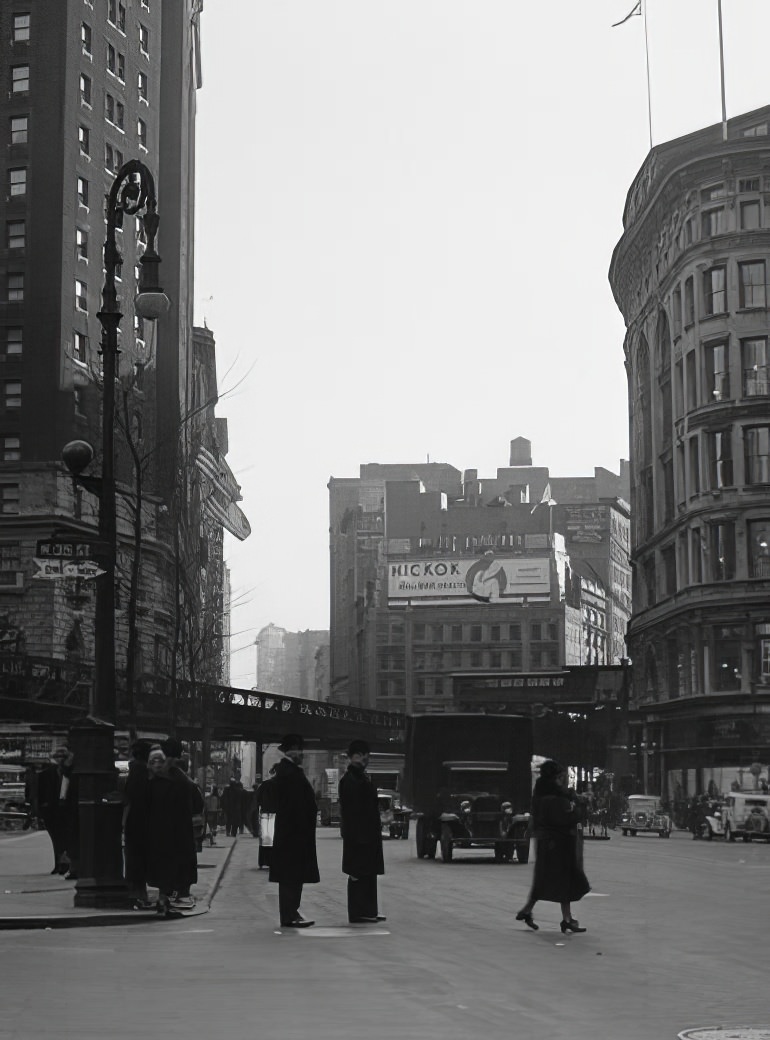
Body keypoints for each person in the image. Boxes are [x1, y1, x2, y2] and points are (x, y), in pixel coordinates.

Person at [516, 760, 590, 934]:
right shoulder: (557, 799)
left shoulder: (539, 795)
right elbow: (568, 819)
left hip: (545, 843)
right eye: (560, 776)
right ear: (555, 777)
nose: (562, 779)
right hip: (560, 844)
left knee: (543, 879)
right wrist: (579, 809)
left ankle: (528, 910)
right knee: (564, 880)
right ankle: (566, 920)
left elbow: (535, 819)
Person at [269, 734, 319, 927]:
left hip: (293, 833)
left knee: (293, 875)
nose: (302, 753)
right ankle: (290, 915)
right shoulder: (290, 773)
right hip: (293, 833)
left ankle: (292, 913)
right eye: (299, 749)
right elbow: (295, 804)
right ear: (290, 750)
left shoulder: (290, 771)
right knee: (291, 875)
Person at [144, 746, 200, 918]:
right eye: (153, 761)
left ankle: (165, 897)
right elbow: (198, 804)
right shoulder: (182, 781)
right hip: (174, 832)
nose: (157, 765)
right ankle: (169, 897)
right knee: (172, 865)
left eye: (159, 761)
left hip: (161, 832)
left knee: (164, 866)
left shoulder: (154, 783)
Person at [338, 739, 386, 924]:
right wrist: (356, 834)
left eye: (366, 755)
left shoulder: (361, 777)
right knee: (358, 873)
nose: (364, 759)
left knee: (369, 873)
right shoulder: (349, 780)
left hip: (367, 832)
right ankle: (359, 913)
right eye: (360, 755)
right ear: (352, 757)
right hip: (358, 834)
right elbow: (351, 811)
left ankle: (369, 910)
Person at [123, 740, 152, 907]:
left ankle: (136, 893)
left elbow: (128, 798)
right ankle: (138, 894)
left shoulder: (134, 771)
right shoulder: (143, 772)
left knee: (133, 859)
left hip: (134, 822)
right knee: (139, 860)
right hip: (142, 822)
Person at [37, 746, 72, 875]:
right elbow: (40, 793)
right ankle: (59, 863)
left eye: (63, 757)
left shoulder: (70, 772)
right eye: (58, 757)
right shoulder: (46, 773)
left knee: (66, 838)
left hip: (66, 810)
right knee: (56, 840)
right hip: (52, 810)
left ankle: (65, 863)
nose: (60, 760)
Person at [256, 767, 278, 869]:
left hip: (264, 813)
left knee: (265, 838)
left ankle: (263, 860)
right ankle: (273, 861)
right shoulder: (282, 785)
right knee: (275, 839)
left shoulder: (265, 784)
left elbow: (257, 798)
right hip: (276, 814)